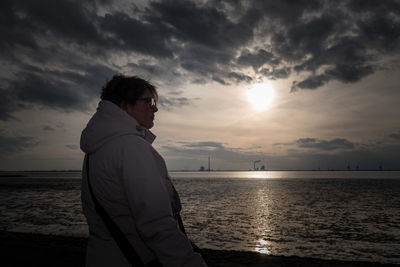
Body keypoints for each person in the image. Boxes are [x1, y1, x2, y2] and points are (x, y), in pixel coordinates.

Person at [80, 74, 207, 267]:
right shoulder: (132, 147)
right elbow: (157, 224)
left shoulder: (96, 150)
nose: (155, 108)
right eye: (148, 101)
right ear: (124, 106)